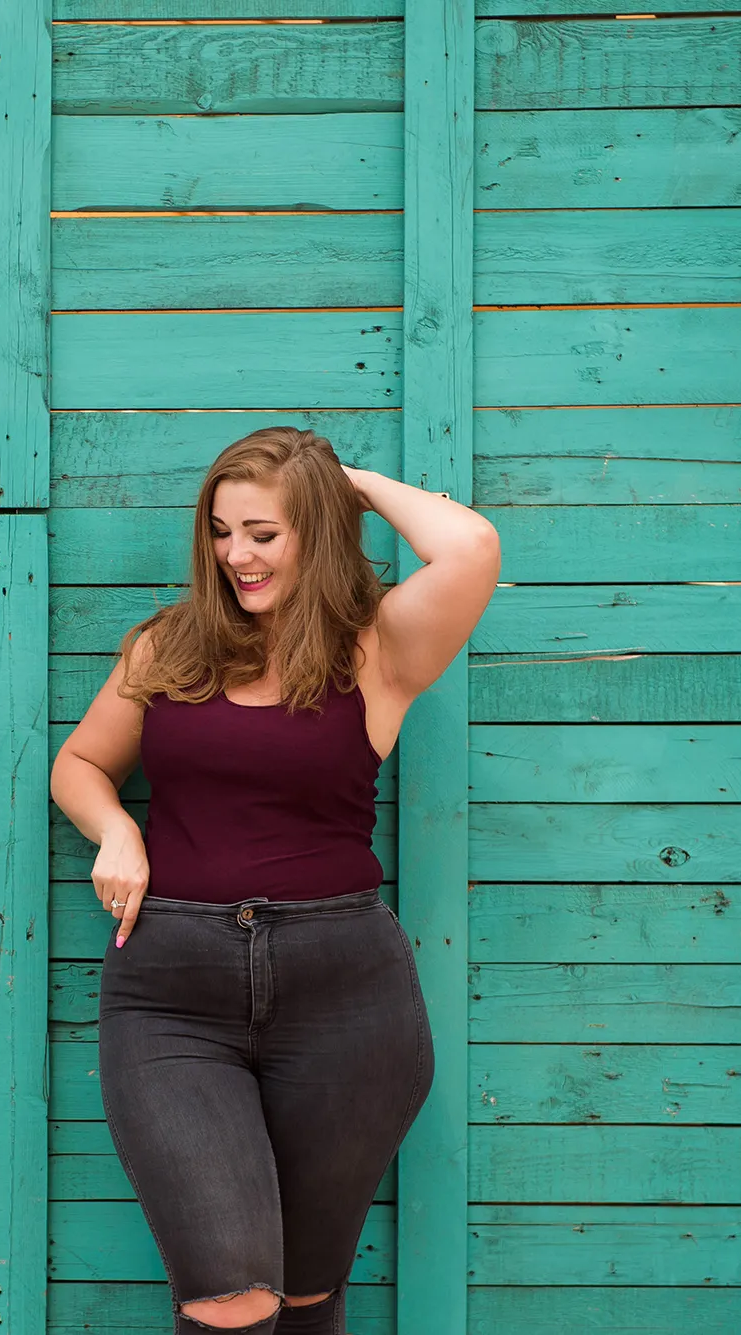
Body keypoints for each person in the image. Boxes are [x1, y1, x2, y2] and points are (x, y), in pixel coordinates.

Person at [49, 426, 501, 1333]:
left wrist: (347, 484)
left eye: (264, 531)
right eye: (222, 531)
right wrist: (116, 832)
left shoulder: (378, 651)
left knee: (303, 1299)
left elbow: (472, 546)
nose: (236, 555)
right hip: (173, 995)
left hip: (346, 999)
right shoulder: (168, 646)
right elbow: (80, 764)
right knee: (232, 1298)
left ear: (317, 530)